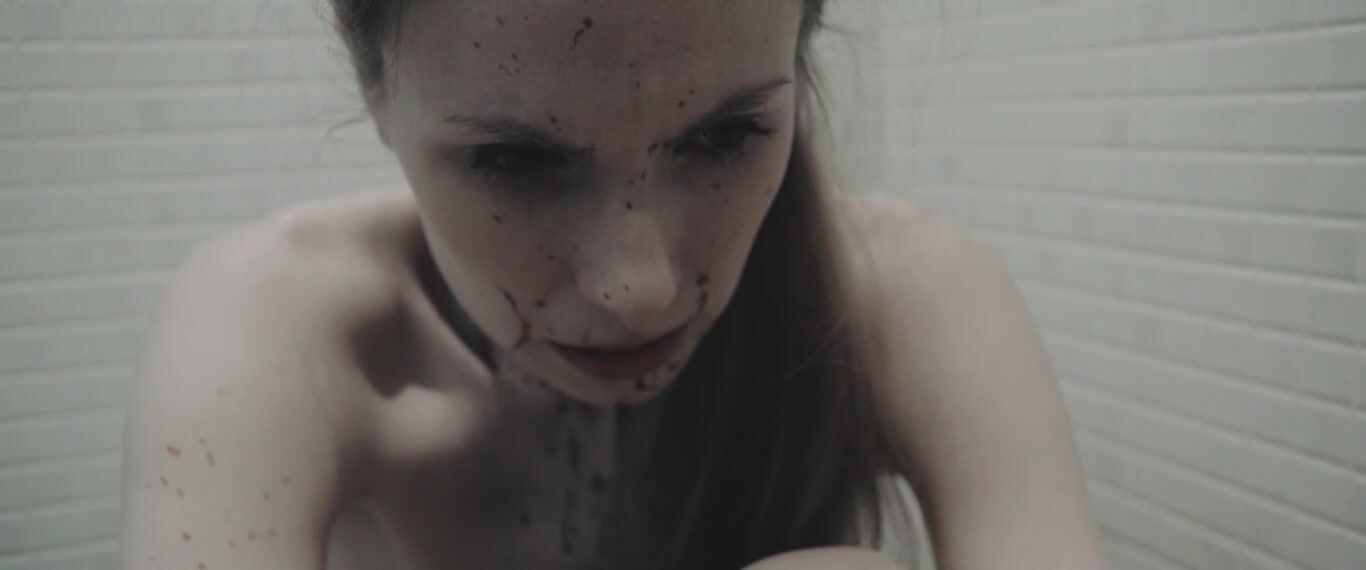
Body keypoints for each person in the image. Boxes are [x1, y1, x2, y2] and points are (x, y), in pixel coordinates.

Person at [118, 1, 1110, 568]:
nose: (636, 290)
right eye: (514, 161)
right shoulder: (282, 325)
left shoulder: (905, 292)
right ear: (376, 92)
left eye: (725, 137)